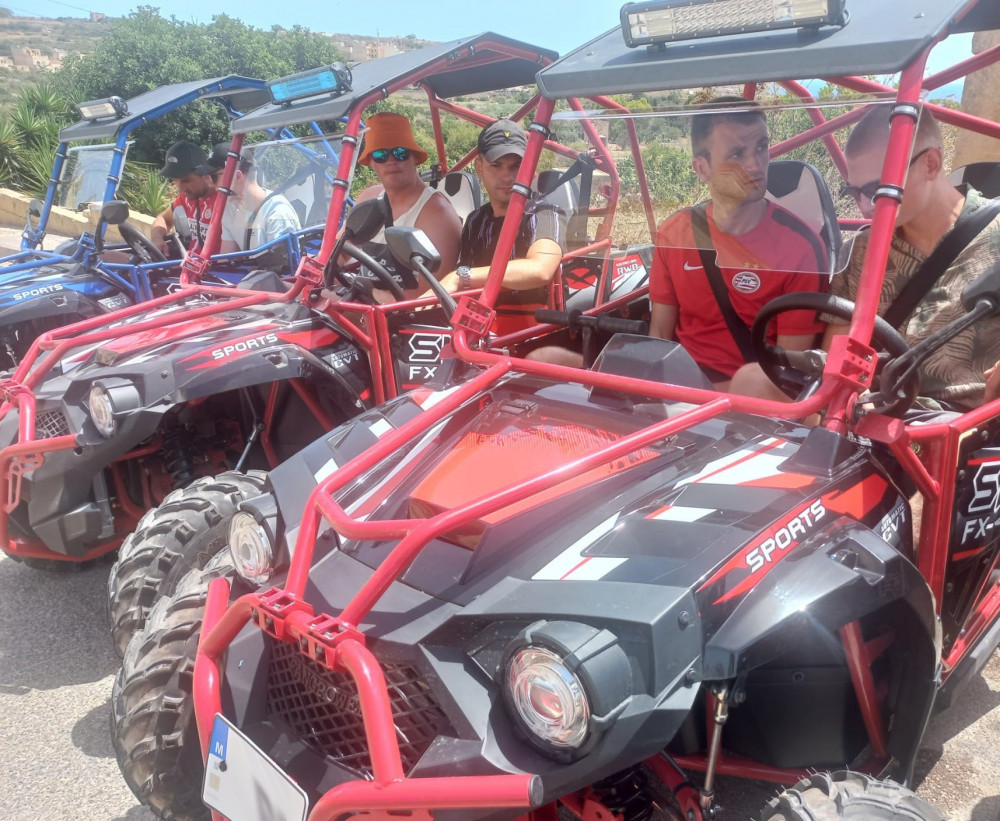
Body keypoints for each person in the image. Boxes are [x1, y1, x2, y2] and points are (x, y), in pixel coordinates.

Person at [732, 105, 1000, 409]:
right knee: (751, 381)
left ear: (931, 163)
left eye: (877, 189)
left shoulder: (994, 234)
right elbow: (839, 357)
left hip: (968, 427)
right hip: (876, 412)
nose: (866, 206)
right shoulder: (862, 249)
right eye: (854, 191)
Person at [649, 96, 827, 388]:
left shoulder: (800, 247)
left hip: (754, 399)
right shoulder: (674, 234)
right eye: (736, 155)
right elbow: (658, 337)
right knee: (557, 358)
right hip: (679, 387)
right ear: (702, 168)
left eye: (761, 147)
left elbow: (789, 374)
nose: (755, 165)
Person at [434, 119, 565, 336]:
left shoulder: (545, 213)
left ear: (529, 169)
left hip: (535, 331)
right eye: (496, 166)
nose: (507, 176)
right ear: (479, 168)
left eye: (516, 166)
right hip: (480, 328)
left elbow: (540, 270)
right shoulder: (475, 220)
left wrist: (460, 276)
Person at [354, 112, 461, 298]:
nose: (391, 161)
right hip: (360, 304)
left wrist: (369, 296)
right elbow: (338, 252)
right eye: (381, 155)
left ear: (414, 157)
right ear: (371, 162)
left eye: (400, 153)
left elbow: (430, 295)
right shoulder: (368, 198)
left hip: (402, 319)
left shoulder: (437, 214)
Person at [192, 143, 303, 253]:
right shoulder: (230, 209)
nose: (211, 184)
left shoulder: (277, 212)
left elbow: (284, 267)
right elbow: (226, 260)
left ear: (237, 176)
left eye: (213, 177)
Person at [151, 141, 219, 253]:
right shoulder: (187, 198)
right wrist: (157, 238)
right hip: (189, 263)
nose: (180, 187)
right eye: (175, 180)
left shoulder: (223, 201)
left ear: (206, 175)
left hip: (215, 267)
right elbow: (164, 218)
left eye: (186, 181)